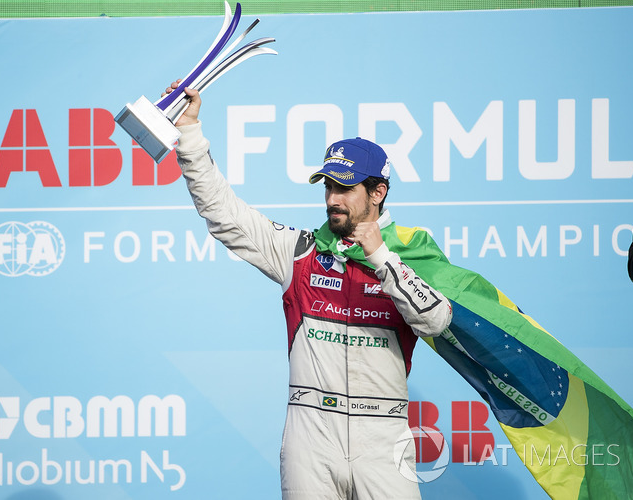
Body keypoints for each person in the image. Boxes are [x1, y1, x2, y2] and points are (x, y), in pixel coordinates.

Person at [167, 81, 453, 500]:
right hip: (310, 433)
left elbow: (436, 320)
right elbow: (222, 213)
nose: (333, 199)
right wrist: (189, 132)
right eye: (328, 187)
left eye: (346, 188)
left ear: (378, 192)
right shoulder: (299, 250)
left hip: (384, 434)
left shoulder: (412, 252)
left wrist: (381, 258)